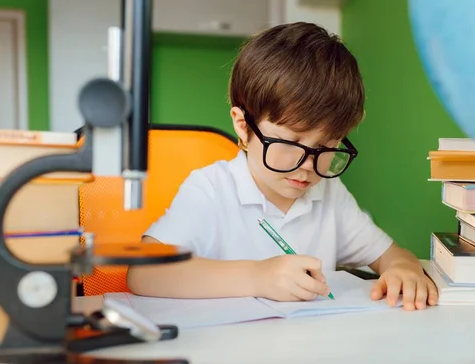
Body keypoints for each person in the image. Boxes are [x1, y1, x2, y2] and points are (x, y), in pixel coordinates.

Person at [127, 22, 438, 311]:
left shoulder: (330, 193)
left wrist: (403, 269)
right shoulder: (210, 189)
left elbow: (389, 254)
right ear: (242, 125)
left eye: (326, 147)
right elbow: (143, 275)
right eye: (290, 143)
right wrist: (257, 276)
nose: (307, 166)